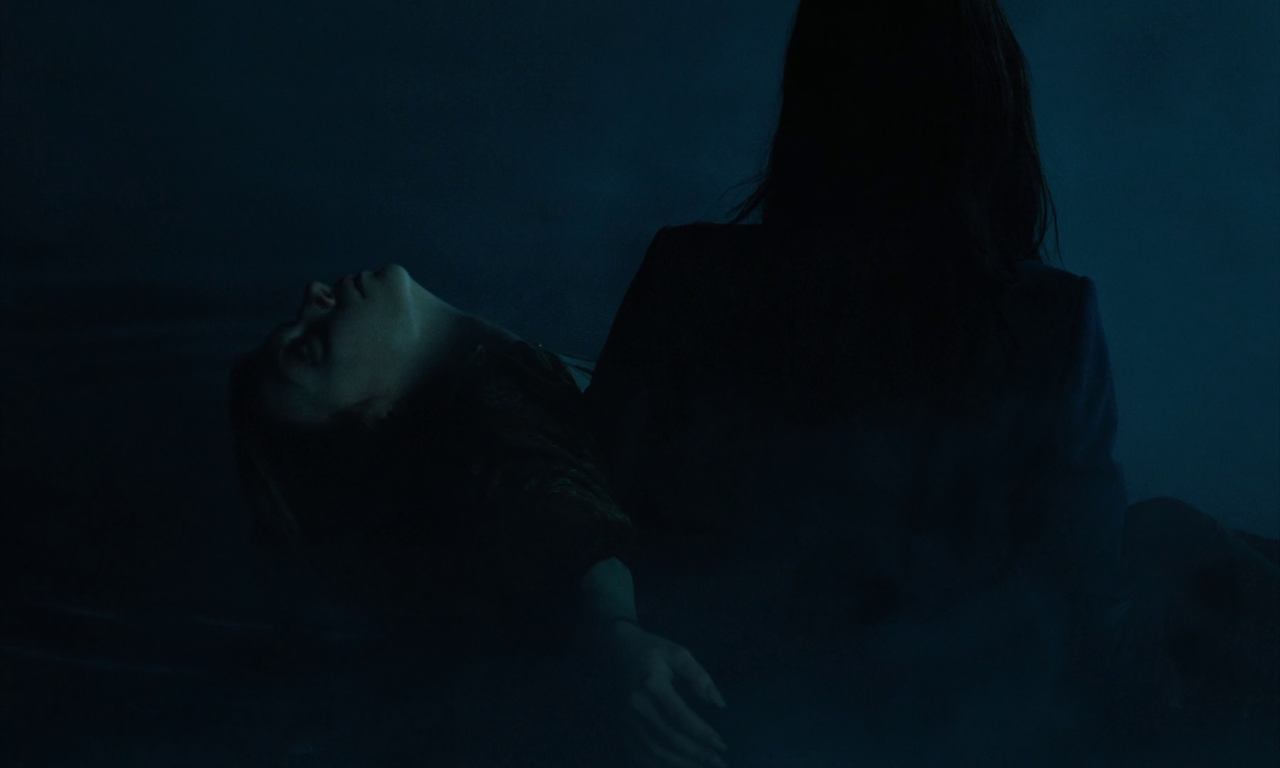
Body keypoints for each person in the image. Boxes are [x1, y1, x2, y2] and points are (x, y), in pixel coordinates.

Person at [584, 0, 1277, 762]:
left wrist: (614, 632)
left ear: (807, 102)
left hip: (739, 701)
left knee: (1178, 550)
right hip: (961, 714)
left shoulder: (687, 275)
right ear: (988, 117)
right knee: (1179, 547)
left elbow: (588, 492)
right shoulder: (1043, 319)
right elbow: (1077, 608)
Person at [227, 264, 729, 768]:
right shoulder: (483, 407)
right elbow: (549, 496)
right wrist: (615, 633)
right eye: (308, 348)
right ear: (367, 422)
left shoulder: (502, 379)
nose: (313, 294)